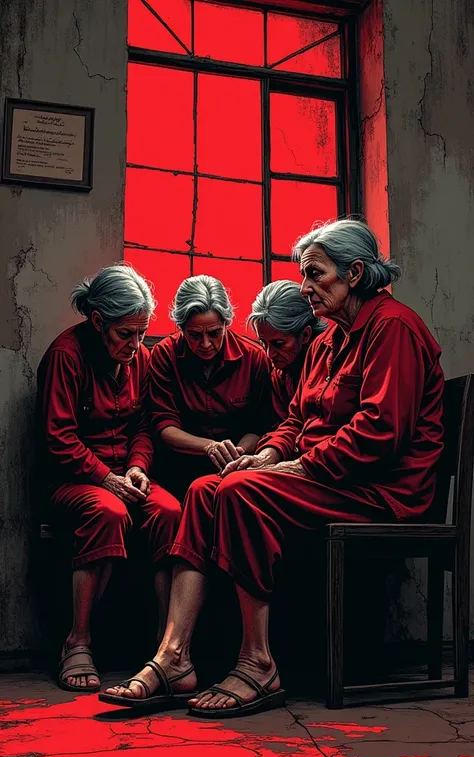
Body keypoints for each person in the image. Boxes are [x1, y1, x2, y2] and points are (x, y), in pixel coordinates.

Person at [101, 218, 444, 718]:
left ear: (353, 272)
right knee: (204, 488)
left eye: (314, 274)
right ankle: (172, 657)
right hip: (336, 479)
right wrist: (269, 454)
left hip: (382, 491)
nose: (304, 287)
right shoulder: (330, 341)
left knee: (241, 491)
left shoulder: (393, 327)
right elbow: (297, 419)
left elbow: (380, 434)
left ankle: (258, 664)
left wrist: (298, 469)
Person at [37, 264, 182, 693]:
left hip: (124, 476)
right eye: (126, 334)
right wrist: (105, 477)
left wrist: (137, 467)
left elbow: (144, 426)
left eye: (141, 334)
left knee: (171, 511)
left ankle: (164, 651)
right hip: (72, 482)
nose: (136, 345)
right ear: (98, 321)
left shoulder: (139, 358)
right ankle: (77, 643)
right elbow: (57, 439)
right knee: (108, 512)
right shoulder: (66, 355)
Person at [149, 274, 272, 503]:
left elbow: (261, 426)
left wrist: (237, 455)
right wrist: (210, 447)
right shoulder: (164, 354)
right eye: (194, 335)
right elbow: (164, 426)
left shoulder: (253, 358)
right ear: (180, 327)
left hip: (234, 470)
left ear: (227, 323)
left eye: (214, 333)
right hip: (175, 470)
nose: (205, 344)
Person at [248, 279, 326, 424]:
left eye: (279, 344)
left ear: (305, 335)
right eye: (262, 343)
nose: (269, 354)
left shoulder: (330, 364)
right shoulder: (280, 374)